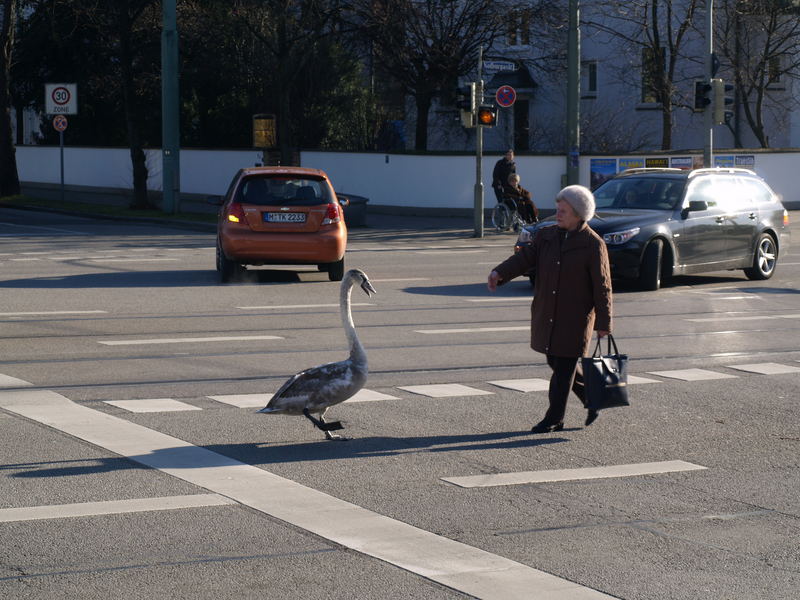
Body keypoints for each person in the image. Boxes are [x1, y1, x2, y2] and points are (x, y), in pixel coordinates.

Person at [487, 185, 612, 433]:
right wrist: (500, 273)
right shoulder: (546, 235)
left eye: (563, 210)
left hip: (575, 318)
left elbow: (603, 286)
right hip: (548, 312)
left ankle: (554, 418)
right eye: (558, 209)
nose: (558, 214)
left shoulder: (592, 244)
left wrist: (604, 323)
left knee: (563, 370)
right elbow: (524, 259)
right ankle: (592, 397)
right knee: (555, 360)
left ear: (578, 213)